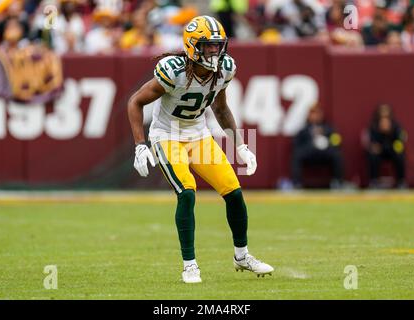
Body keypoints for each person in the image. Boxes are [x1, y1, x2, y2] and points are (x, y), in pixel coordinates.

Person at [127, 15, 274, 283]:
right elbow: (135, 102)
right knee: (187, 192)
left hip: (198, 135)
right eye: (208, 46)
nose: (215, 51)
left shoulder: (224, 69)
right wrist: (140, 145)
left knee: (234, 191)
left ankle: (242, 256)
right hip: (167, 136)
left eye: (218, 45)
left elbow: (220, 108)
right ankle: (190, 265)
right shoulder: (174, 72)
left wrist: (239, 146)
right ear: (194, 46)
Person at [291, 105, 344, 189]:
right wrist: (309, 145)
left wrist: (327, 142)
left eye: (317, 113)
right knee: (297, 155)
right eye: (312, 114)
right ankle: (297, 183)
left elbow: (337, 141)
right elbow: (296, 143)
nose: (315, 116)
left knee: (337, 155)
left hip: (325, 153)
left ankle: (338, 182)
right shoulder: (304, 130)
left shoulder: (328, 128)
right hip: (309, 153)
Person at [366, 103, 407, 189]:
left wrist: (390, 133)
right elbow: (372, 142)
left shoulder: (396, 126)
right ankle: (374, 182)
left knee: (400, 155)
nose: (384, 114)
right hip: (379, 151)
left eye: (386, 111)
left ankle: (401, 181)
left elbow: (400, 140)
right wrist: (375, 146)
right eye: (382, 111)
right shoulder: (373, 126)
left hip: (392, 150)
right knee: (372, 156)